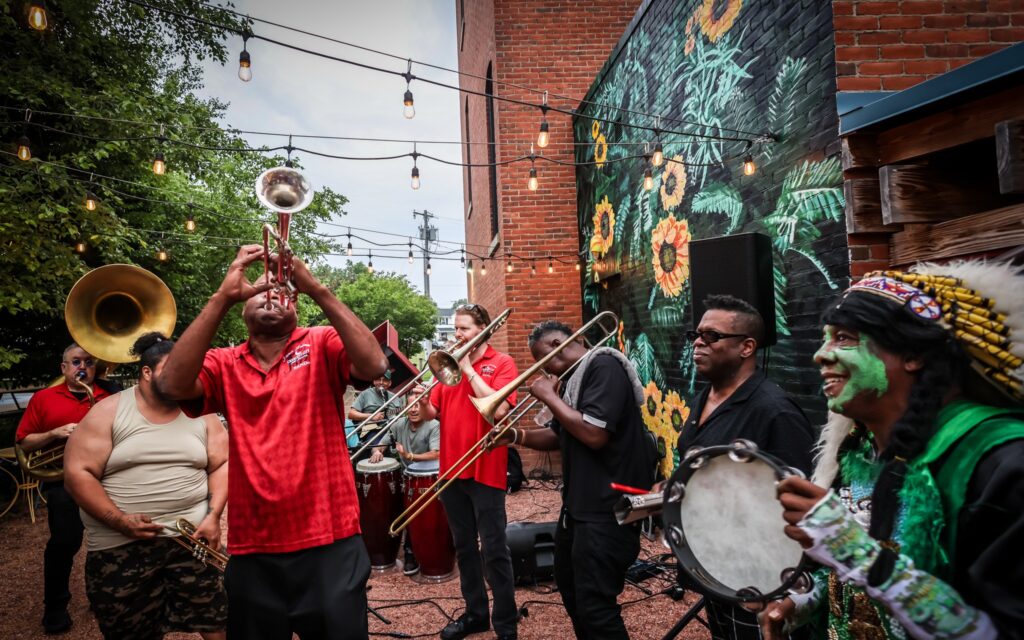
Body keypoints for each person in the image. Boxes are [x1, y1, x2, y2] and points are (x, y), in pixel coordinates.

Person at [763, 266, 1024, 640]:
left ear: (914, 353)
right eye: (825, 340)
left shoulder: (1002, 462)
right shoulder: (857, 450)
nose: (820, 355)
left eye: (844, 338)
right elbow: (855, 581)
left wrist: (848, 547)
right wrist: (804, 602)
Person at [156, 245, 388, 640]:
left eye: (283, 293)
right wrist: (222, 297)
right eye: (260, 292)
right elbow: (172, 384)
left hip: (330, 541)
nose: (271, 295)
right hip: (254, 548)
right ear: (244, 309)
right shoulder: (223, 361)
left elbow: (374, 364)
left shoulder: (320, 341)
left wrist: (316, 288)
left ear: (296, 306)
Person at [489, 320, 655, 639]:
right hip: (578, 508)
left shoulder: (603, 365)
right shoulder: (571, 382)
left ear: (556, 345)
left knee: (596, 607)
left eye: (542, 360)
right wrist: (514, 435)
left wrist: (549, 397)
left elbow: (594, 433)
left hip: (608, 510)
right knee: (571, 589)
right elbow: (558, 434)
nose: (542, 369)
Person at [64, 332, 229, 640]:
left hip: (192, 541)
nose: (183, 378)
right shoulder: (108, 411)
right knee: (129, 631)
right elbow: (78, 473)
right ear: (147, 372)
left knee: (214, 620)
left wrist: (213, 516)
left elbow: (221, 463)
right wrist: (119, 520)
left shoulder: (202, 413)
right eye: (173, 370)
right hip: (121, 549)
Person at [674, 294, 816, 640]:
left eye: (711, 336)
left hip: (756, 580)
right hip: (714, 566)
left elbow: (801, 507)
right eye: (696, 334)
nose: (698, 342)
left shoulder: (774, 411)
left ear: (747, 347)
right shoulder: (704, 398)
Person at [420, 303, 519, 640]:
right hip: (450, 470)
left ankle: (506, 624)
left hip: (486, 469)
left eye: (463, 328)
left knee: (494, 550)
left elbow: (500, 408)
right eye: (456, 329)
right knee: (463, 547)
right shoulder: (447, 370)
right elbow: (432, 411)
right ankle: (476, 614)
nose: (456, 334)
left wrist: (469, 369)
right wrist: (418, 403)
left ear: (483, 329)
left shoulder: (502, 363)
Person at [15, 343, 116, 634]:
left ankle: (103, 597)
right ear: (63, 367)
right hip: (63, 483)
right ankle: (55, 607)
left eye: (88, 361)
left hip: (106, 480)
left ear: (97, 367)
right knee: (64, 544)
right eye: (75, 361)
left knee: (108, 542)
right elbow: (24, 442)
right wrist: (54, 433)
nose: (82, 367)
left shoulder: (109, 396)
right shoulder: (44, 398)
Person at [369, 384, 440, 576]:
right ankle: (400, 550)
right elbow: (381, 442)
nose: (414, 409)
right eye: (411, 405)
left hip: (429, 480)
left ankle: (412, 553)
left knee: (420, 516)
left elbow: (436, 453)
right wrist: (377, 451)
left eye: (418, 404)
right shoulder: (399, 424)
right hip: (405, 477)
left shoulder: (433, 425)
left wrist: (409, 456)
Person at [349, 370, 398, 451]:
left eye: (385, 380)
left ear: (390, 383)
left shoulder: (395, 398)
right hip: (369, 430)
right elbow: (351, 414)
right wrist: (371, 416)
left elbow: (395, 416)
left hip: (389, 430)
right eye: (378, 379)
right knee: (377, 444)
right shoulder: (365, 394)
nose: (381, 382)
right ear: (374, 381)